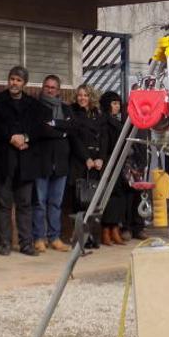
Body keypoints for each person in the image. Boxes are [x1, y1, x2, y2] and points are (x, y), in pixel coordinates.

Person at [0, 65, 45, 256]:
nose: (14, 83)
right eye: (12, 79)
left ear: (24, 83)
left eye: (18, 80)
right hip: (5, 160)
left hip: (26, 161)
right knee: (4, 204)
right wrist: (11, 137)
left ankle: (26, 244)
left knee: (25, 205)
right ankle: (4, 243)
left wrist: (26, 138)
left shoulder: (34, 105)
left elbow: (40, 129)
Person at [32, 75, 73, 253]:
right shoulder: (36, 107)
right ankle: (39, 238)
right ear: (43, 88)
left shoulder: (65, 108)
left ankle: (54, 237)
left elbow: (73, 127)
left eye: (53, 87)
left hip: (61, 163)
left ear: (58, 90)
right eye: (47, 86)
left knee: (56, 203)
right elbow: (40, 130)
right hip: (42, 161)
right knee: (40, 202)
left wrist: (55, 124)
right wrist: (61, 132)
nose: (50, 90)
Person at [69, 84, 109, 248]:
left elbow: (105, 138)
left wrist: (101, 158)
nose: (82, 98)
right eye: (79, 95)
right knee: (79, 202)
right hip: (80, 164)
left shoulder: (98, 114)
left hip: (96, 165)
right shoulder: (72, 112)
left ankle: (93, 236)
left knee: (94, 202)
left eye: (85, 95)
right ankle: (81, 239)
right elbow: (74, 138)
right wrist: (86, 158)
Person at [98, 90, 129, 245]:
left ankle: (115, 228)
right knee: (109, 197)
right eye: (114, 103)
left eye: (118, 103)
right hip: (109, 161)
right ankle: (106, 230)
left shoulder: (117, 121)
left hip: (119, 161)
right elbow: (104, 143)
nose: (117, 106)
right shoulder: (104, 121)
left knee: (119, 197)